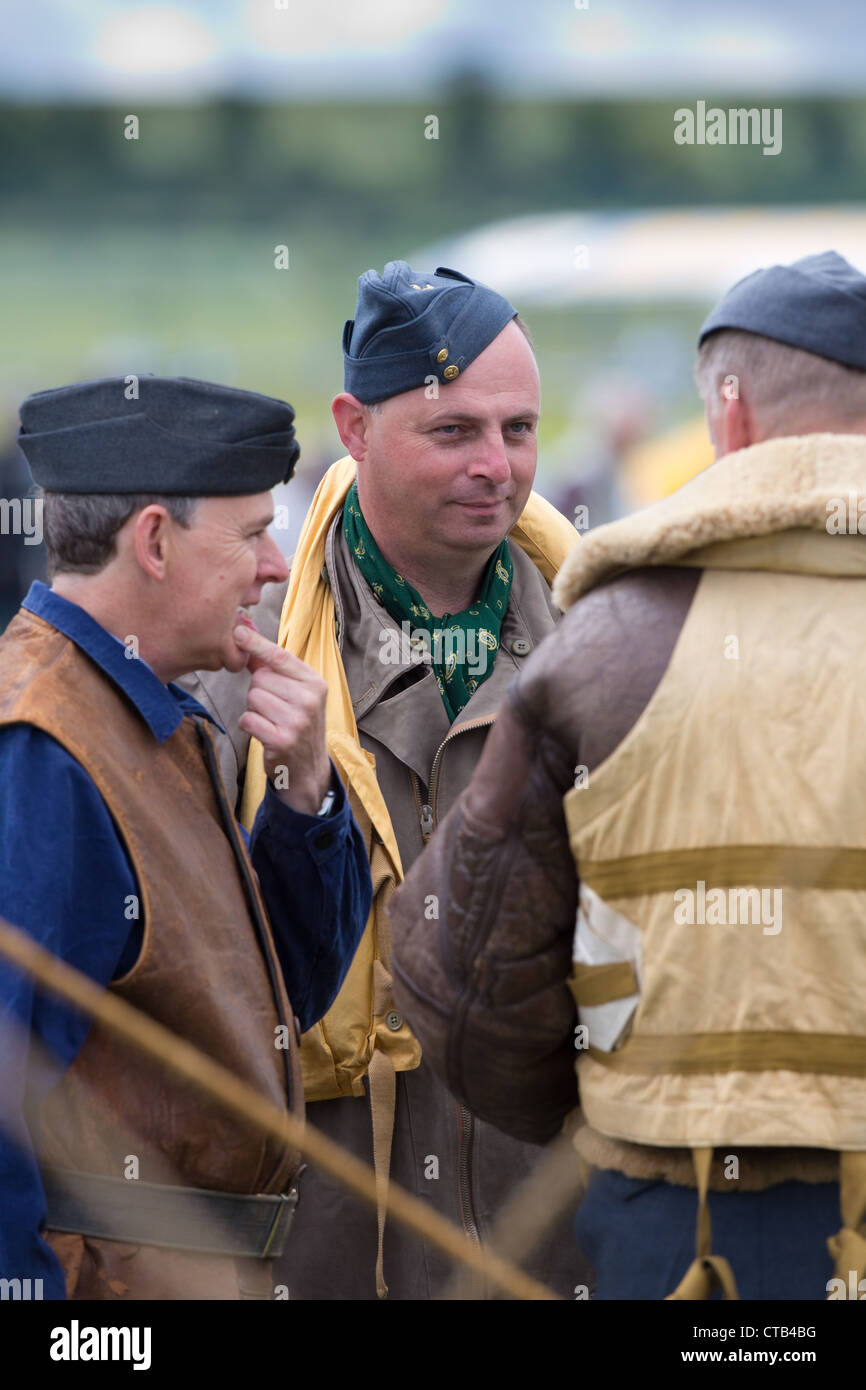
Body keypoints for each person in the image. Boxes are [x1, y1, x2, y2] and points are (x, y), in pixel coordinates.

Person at [389, 249, 866, 1301]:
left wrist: (607, 1107)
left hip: (690, 1230)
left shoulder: (604, 644)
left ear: (728, 427)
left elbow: (472, 985)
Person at [190, 261, 586, 1299]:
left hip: (549, 1244)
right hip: (321, 1247)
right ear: (353, 428)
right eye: (452, 430)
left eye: (518, 429)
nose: (495, 466)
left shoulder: (604, 650)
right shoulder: (233, 667)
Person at [0, 375, 372, 1301]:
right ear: (156, 541)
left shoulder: (154, 714)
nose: (278, 564)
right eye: (252, 533)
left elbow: (266, 1010)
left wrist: (301, 801)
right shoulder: (42, 747)